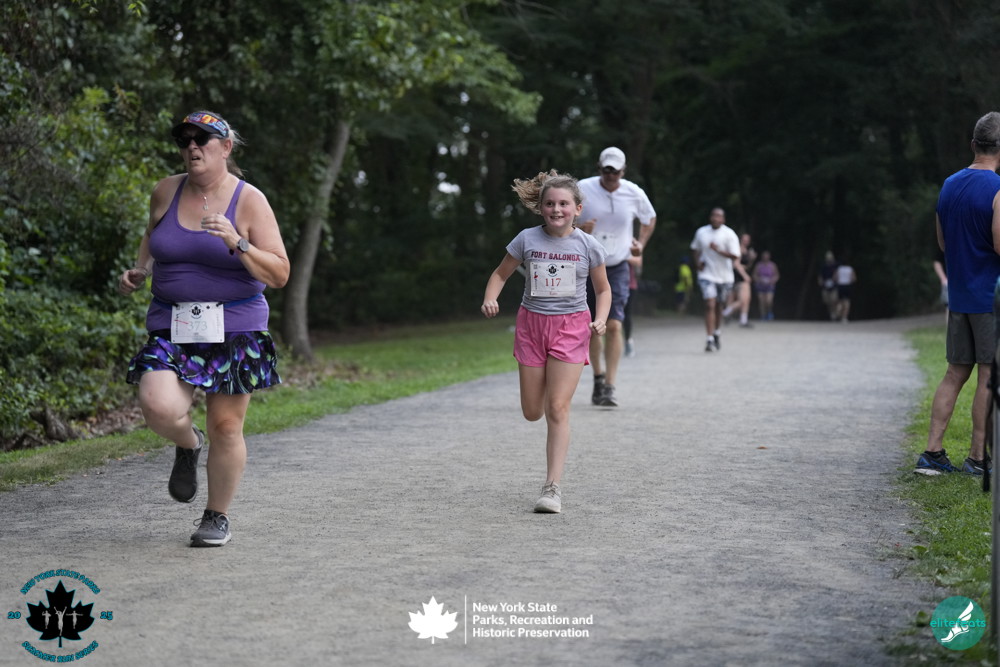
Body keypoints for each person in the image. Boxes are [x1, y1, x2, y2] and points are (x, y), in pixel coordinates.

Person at [118, 111, 290, 546]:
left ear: (226, 147)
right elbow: (152, 234)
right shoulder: (166, 190)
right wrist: (141, 269)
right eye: (185, 139)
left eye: (203, 139)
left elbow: (279, 273)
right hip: (172, 325)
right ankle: (189, 443)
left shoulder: (249, 200)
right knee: (157, 405)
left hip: (236, 328)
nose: (192, 146)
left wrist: (237, 241)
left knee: (226, 427)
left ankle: (216, 516)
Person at [481, 170, 611, 513]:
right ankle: (540, 406)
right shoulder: (527, 239)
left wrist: (600, 318)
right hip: (532, 327)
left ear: (577, 209)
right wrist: (491, 297)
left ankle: (552, 488)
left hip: (572, 327)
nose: (556, 210)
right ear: (540, 207)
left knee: (557, 407)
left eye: (564, 204)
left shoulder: (588, 245)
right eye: (550, 204)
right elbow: (500, 273)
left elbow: (603, 289)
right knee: (532, 412)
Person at [914, 111, 1000, 477]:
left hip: (960, 296)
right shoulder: (997, 189)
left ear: (973, 144)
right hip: (989, 298)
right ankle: (977, 459)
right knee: (988, 376)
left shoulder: (949, 185)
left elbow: (942, 242)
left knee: (954, 373)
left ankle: (932, 453)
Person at [577, 147, 656, 407]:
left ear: (624, 171)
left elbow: (650, 218)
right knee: (592, 327)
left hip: (617, 265)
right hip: (586, 265)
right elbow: (559, 218)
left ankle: (610, 385)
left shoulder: (634, 192)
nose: (611, 175)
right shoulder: (582, 188)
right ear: (599, 168)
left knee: (613, 325)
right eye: (606, 170)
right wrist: (579, 227)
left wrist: (640, 244)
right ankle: (598, 378)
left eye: (616, 171)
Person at [690, 207, 740, 352]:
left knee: (719, 306)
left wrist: (718, 250)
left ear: (723, 219)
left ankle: (717, 332)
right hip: (706, 275)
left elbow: (735, 255)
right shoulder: (701, 232)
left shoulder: (729, 234)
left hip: (724, 277)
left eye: (719, 216)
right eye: (713, 215)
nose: (715, 218)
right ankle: (709, 338)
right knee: (709, 304)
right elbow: (695, 249)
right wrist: (697, 263)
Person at [722, 233, 756, 327]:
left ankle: (743, 320)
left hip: (741, 277)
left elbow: (746, 266)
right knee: (742, 300)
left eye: (748, 240)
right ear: (740, 240)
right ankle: (726, 312)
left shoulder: (747, 251)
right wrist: (745, 276)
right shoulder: (738, 249)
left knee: (746, 299)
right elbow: (736, 264)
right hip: (739, 278)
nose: (746, 241)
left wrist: (752, 259)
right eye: (744, 239)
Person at [623, 251, 642, 357]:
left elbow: (639, 263)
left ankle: (628, 341)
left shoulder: (632, 245)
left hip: (630, 285)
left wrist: (621, 256)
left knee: (627, 314)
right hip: (610, 285)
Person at [752, 250, 780, 321]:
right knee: (762, 302)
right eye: (764, 256)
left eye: (767, 256)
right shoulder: (758, 265)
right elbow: (754, 275)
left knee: (768, 301)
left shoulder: (772, 265)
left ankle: (769, 312)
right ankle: (763, 315)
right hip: (760, 285)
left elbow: (777, 275)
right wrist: (759, 280)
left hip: (770, 286)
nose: (765, 258)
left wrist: (773, 280)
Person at [833, 257, 856, 323]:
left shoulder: (839, 269)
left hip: (840, 286)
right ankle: (844, 317)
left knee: (840, 301)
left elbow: (834, 278)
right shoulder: (850, 269)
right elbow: (854, 278)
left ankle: (838, 313)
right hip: (847, 286)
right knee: (847, 302)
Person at [818, 251, 839, 320]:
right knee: (827, 301)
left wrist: (836, 278)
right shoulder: (824, 266)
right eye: (828, 258)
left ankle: (835, 312)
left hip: (834, 285)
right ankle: (832, 313)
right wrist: (820, 281)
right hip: (825, 285)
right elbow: (821, 275)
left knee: (834, 299)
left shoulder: (836, 265)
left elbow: (838, 273)